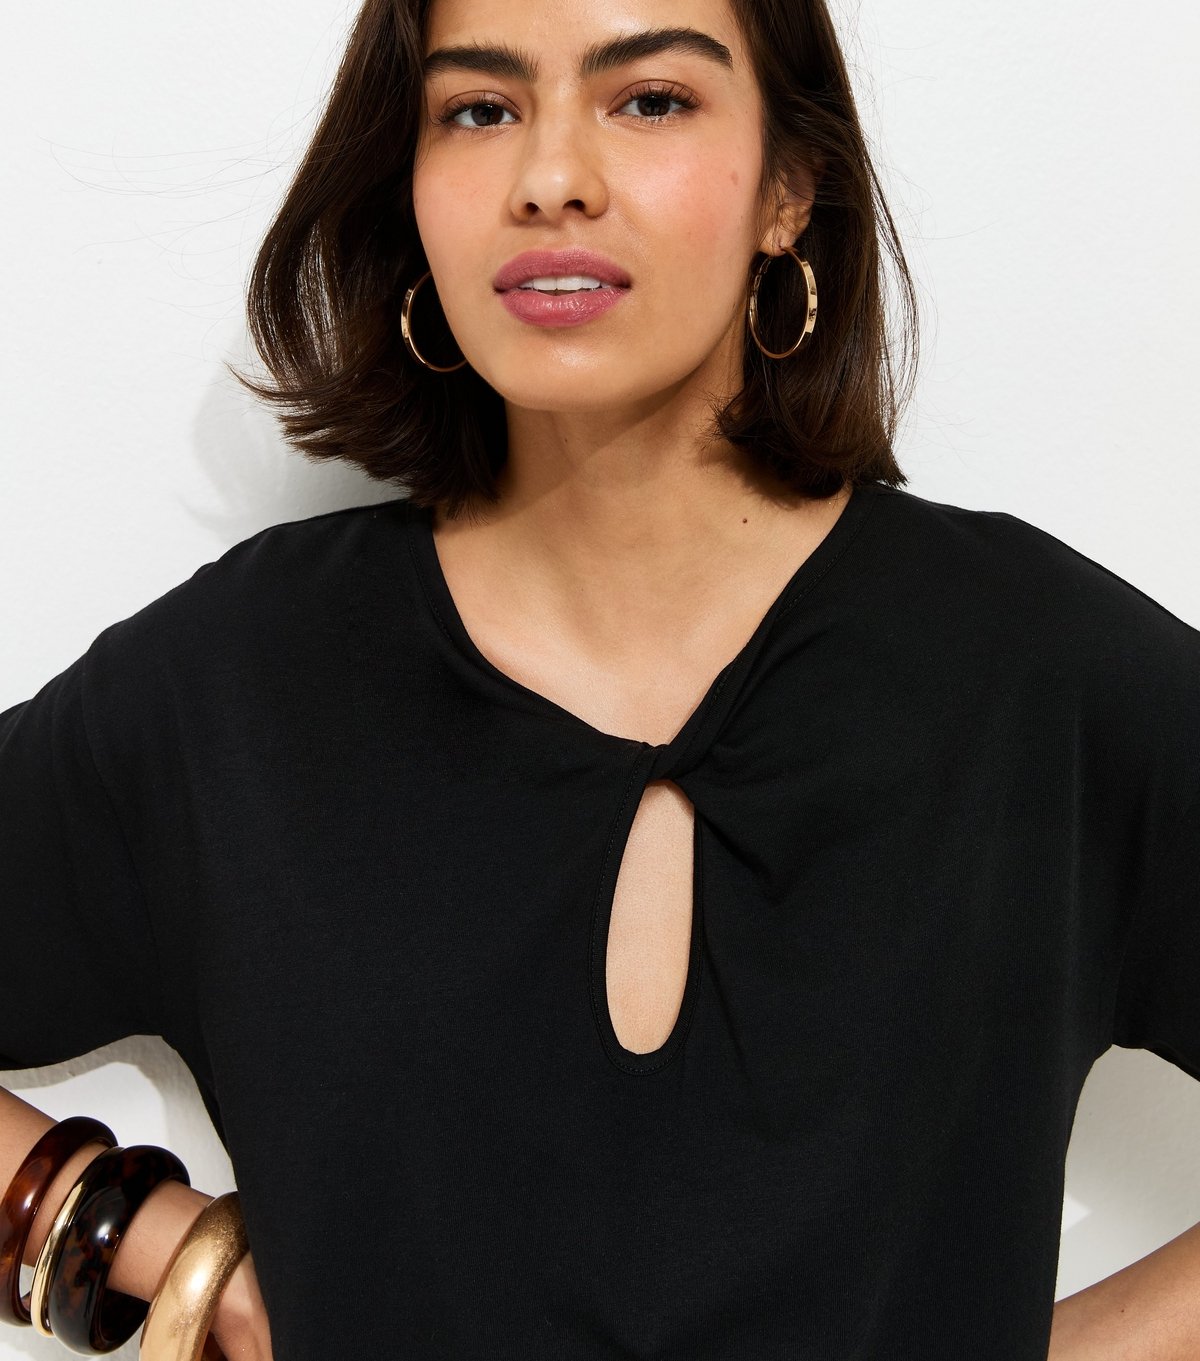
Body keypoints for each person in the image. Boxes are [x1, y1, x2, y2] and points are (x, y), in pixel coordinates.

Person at [2, 0, 1198, 1357]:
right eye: (478, 109)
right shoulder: (242, 686)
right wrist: (136, 1240)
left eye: (651, 100)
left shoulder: (1035, 675)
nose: (551, 175)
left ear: (790, 190)